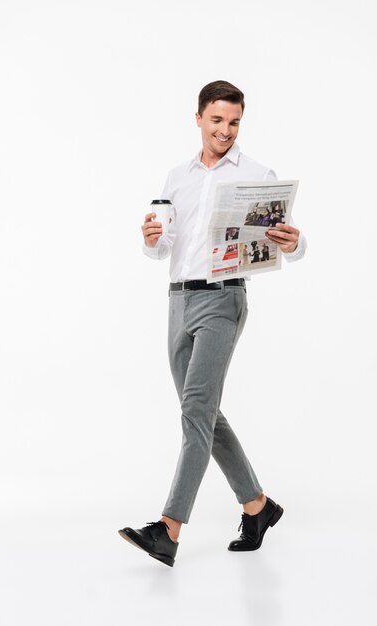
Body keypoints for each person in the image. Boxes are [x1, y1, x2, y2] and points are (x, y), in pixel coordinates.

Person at [118, 80, 307, 567]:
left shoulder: (258, 174)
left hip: (224, 300)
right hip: (178, 300)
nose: (226, 130)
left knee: (195, 413)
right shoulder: (177, 176)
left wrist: (293, 243)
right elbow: (161, 249)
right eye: (218, 119)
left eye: (235, 121)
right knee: (202, 413)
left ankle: (169, 528)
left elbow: (288, 243)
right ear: (199, 118)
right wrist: (150, 237)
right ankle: (258, 507)